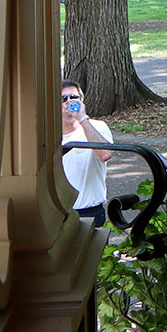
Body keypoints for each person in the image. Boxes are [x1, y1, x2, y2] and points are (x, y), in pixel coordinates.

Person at [60, 81, 113, 227]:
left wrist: (82, 119)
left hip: (90, 212)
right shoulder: (50, 135)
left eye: (74, 97)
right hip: (60, 213)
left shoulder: (97, 127)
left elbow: (105, 154)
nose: (69, 102)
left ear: (81, 101)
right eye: (63, 99)